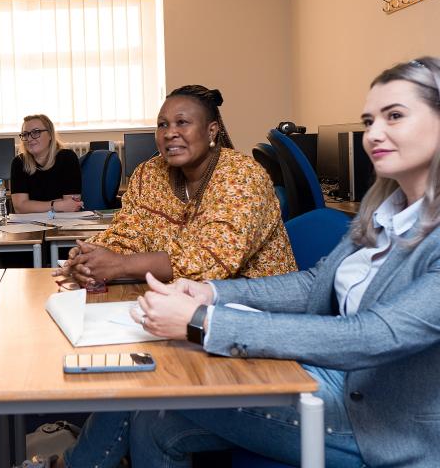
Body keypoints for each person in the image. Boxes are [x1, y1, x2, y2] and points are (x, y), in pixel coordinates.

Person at [59, 57, 440, 468]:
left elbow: (371, 336)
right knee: (154, 416)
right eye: (369, 121)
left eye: (395, 116)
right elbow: (314, 285)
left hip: (384, 424)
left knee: (152, 392)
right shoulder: (383, 207)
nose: (374, 134)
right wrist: (210, 291)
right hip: (329, 376)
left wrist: (205, 320)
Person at [54, 85, 296, 287]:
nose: (170, 133)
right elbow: (128, 234)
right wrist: (92, 255)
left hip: (254, 308)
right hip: (178, 303)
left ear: (211, 131)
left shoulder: (242, 176)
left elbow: (211, 261)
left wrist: (119, 264)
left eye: (182, 123)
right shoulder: (148, 174)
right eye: (163, 125)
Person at [10, 114, 83, 213]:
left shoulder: (67, 158)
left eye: (36, 132)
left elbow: (71, 206)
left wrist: (32, 205)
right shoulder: (19, 162)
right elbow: (20, 207)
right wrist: (56, 205)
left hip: (64, 222)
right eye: (25, 134)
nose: (30, 139)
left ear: (50, 135)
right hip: (30, 225)